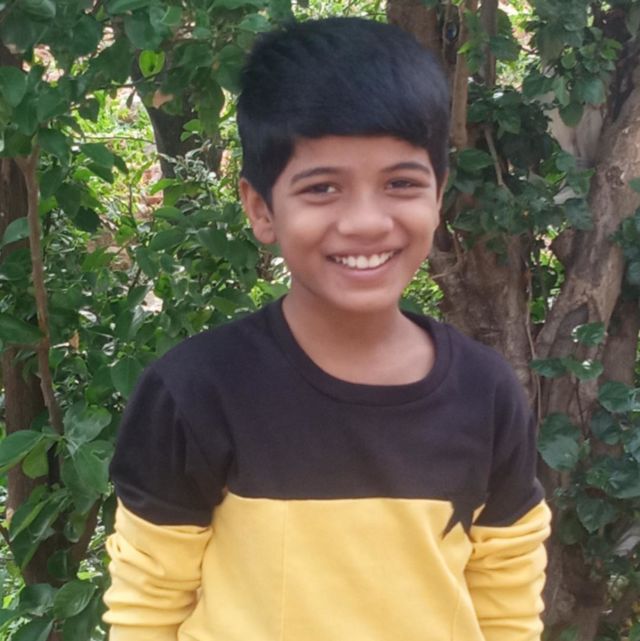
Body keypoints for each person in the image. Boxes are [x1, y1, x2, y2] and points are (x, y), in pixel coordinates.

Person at [103, 16, 551, 641]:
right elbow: (147, 607)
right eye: (322, 188)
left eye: (400, 183)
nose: (366, 221)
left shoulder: (487, 393)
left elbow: (506, 599)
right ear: (262, 208)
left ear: (438, 195)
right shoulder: (197, 392)